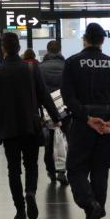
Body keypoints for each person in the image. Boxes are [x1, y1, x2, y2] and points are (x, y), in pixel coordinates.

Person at [61, 23, 110, 219]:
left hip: (83, 124)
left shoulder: (73, 63)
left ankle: (90, 205)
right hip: (106, 124)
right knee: (100, 171)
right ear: (102, 40)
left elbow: (68, 95)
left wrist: (86, 117)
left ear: (85, 39)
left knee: (75, 169)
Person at [0, 32, 61, 219]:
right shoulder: (31, 69)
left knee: (13, 170)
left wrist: (0, 117)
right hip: (31, 126)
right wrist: (56, 118)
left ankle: (20, 211)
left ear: (3, 48)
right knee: (31, 165)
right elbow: (44, 96)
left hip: (8, 130)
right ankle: (30, 193)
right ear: (18, 48)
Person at [39, 40, 69, 185]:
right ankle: (62, 170)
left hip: (46, 110)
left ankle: (51, 171)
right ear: (60, 50)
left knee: (49, 142)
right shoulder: (67, 67)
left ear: (47, 51)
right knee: (64, 139)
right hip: (65, 110)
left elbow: (37, 91)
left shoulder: (40, 68)